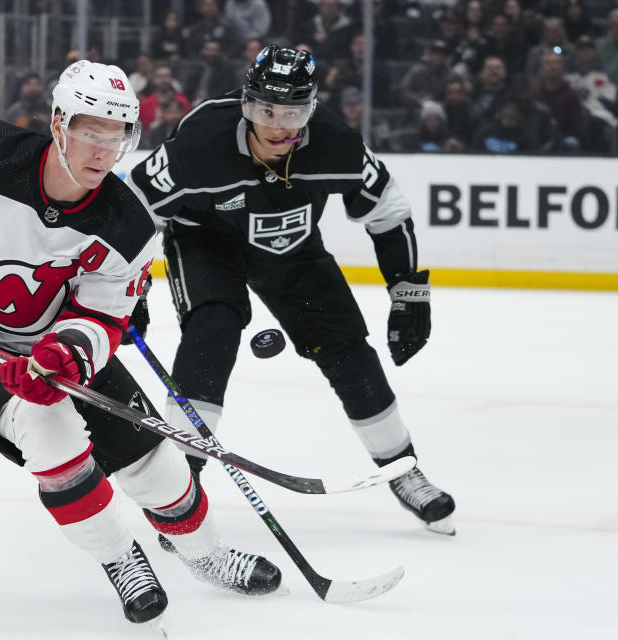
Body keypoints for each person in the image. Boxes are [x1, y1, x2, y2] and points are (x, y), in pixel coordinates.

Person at [0, 59, 281, 626]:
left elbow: (102, 316)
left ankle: (207, 556)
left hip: (51, 353)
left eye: (117, 135)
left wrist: (65, 352)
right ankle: (120, 558)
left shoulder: (129, 225)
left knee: (156, 465)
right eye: (90, 131)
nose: (102, 150)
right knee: (50, 431)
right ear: (58, 123)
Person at [127, 46, 457, 536]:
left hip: (293, 245)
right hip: (205, 240)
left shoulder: (335, 142)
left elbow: (387, 209)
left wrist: (409, 291)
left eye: (294, 112)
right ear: (246, 103)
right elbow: (135, 210)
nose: (279, 126)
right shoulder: (200, 142)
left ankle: (401, 469)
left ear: (313, 106)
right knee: (212, 332)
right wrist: (129, 290)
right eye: (266, 110)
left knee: (347, 348)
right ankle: (179, 490)